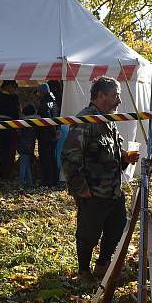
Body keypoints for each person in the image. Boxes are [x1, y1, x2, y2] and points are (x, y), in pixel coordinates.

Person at [61, 76, 140, 280]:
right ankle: (84, 271)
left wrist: (125, 157)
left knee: (117, 228)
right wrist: (82, 189)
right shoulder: (85, 121)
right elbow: (70, 158)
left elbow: (111, 151)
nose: (119, 101)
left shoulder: (108, 120)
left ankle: (103, 265)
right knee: (88, 234)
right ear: (100, 95)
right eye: (115, 96)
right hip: (93, 192)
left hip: (113, 190)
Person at [0, 80, 21, 179]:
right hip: (9, 127)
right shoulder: (12, 98)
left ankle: (3, 171)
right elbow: (15, 112)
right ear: (8, 87)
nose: (14, 90)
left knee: (2, 150)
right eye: (13, 87)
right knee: (8, 150)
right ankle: (6, 171)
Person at [36, 83, 59, 187]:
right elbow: (56, 118)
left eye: (38, 92)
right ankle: (54, 179)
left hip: (45, 135)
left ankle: (48, 180)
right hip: (52, 134)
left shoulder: (44, 104)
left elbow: (47, 121)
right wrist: (56, 131)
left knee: (46, 159)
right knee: (52, 158)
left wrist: (53, 132)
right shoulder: (54, 102)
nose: (37, 94)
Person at [17, 104, 37, 188]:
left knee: (23, 165)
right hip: (30, 145)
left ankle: (21, 182)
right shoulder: (36, 122)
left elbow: (19, 133)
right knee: (27, 164)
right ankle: (30, 182)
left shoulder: (23, 122)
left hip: (23, 145)